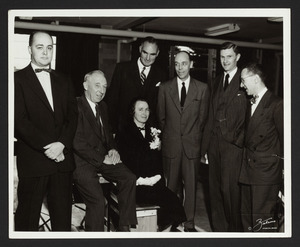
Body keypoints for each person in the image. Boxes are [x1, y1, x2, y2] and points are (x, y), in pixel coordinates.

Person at [14, 31, 78, 231]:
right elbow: (19, 121)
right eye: (39, 47)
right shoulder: (16, 79)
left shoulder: (64, 80)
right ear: (29, 49)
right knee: (27, 222)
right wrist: (49, 148)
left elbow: (73, 117)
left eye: (49, 47)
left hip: (62, 163)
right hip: (34, 162)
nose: (45, 52)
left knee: (62, 224)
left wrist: (61, 145)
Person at [72, 70, 137, 231]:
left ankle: (124, 227)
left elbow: (108, 134)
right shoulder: (75, 105)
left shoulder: (103, 107)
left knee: (129, 178)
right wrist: (102, 159)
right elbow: (77, 142)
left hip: (103, 158)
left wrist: (113, 149)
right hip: (82, 162)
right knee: (97, 201)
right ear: (85, 85)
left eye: (105, 87)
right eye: (97, 85)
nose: (101, 90)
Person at [157, 51, 209, 232]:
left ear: (191, 64)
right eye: (177, 64)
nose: (180, 68)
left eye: (184, 64)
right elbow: (161, 118)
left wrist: (193, 138)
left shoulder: (202, 88)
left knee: (191, 187)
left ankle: (189, 222)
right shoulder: (164, 88)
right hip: (171, 145)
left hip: (191, 146)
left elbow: (202, 121)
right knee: (170, 186)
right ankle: (170, 220)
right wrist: (170, 136)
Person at [116, 98, 187, 232]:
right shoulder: (124, 132)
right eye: (140, 109)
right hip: (136, 184)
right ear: (133, 112)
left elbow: (156, 162)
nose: (144, 113)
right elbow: (127, 162)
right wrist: (143, 179)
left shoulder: (152, 131)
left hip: (154, 181)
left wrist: (157, 177)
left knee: (174, 201)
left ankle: (162, 231)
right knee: (167, 202)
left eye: (147, 109)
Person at [201, 42, 247, 232]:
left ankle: (235, 235)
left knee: (231, 195)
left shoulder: (245, 81)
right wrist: (204, 149)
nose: (225, 61)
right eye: (222, 57)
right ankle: (219, 233)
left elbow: (249, 118)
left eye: (229, 56)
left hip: (233, 149)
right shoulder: (217, 80)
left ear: (237, 57)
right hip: (214, 147)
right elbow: (211, 116)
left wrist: (238, 142)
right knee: (215, 193)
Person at [239, 62, 283, 232]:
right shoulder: (250, 101)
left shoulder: (277, 104)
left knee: (261, 220)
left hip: (266, 172)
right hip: (248, 169)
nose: (241, 86)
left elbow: (287, 140)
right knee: (246, 217)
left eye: (243, 81)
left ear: (256, 79)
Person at [105, 36, 167, 134]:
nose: (147, 58)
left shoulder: (161, 75)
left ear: (158, 53)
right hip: (123, 131)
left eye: (152, 54)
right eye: (145, 52)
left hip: (149, 132)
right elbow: (112, 102)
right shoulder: (122, 69)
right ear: (139, 49)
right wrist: (112, 131)